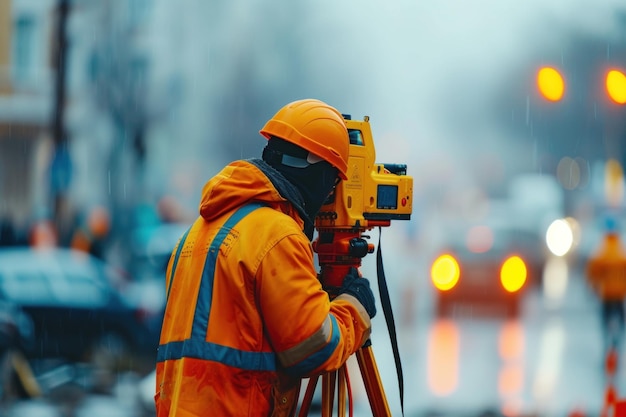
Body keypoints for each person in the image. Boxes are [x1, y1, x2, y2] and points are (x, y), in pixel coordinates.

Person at [155, 99, 377, 417]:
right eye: (333, 183)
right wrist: (354, 307)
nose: (331, 196)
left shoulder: (198, 232)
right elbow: (312, 350)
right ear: (321, 176)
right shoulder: (278, 236)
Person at [586, 216, 626, 357]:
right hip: (620, 294)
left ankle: (606, 342)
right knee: (621, 320)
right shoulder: (622, 251)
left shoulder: (600, 251)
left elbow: (592, 273)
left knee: (604, 320)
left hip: (606, 294)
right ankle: (617, 341)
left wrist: (592, 287)